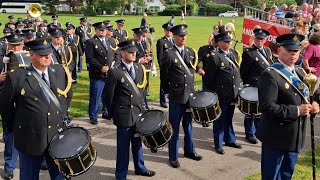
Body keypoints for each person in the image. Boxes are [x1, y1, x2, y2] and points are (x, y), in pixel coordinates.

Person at [0, 38, 69, 180]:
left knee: (59, 176)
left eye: (49, 53)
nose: (48, 57)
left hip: (56, 137)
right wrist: (18, 127)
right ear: (31, 55)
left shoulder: (60, 72)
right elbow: (5, 106)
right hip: (30, 139)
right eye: (43, 54)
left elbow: (66, 97)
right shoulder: (17, 77)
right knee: (29, 176)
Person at [257, 33, 319, 179]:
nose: (293, 54)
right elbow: (267, 107)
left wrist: (314, 104)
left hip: (295, 136)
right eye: (289, 50)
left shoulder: (299, 71)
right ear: (279, 50)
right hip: (276, 137)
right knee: (272, 176)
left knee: (286, 174)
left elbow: (308, 97)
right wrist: (297, 110)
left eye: (296, 51)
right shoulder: (271, 74)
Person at [105, 39, 156, 180]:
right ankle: (121, 174)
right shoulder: (115, 72)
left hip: (138, 112)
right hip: (124, 114)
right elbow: (108, 97)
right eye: (130, 52)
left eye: (135, 52)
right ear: (123, 53)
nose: (134, 54)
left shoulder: (139, 68)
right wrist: (112, 114)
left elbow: (142, 91)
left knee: (138, 142)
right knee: (123, 148)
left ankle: (140, 167)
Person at [160, 24, 205, 168]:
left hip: (189, 95)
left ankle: (189, 151)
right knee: (174, 128)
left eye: (184, 35)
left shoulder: (191, 52)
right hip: (177, 96)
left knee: (189, 125)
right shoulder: (168, 53)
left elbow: (192, 69)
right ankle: (173, 156)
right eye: (180, 35)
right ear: (174, 36)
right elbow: (164, 76)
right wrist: (168, 92)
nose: (183, 38)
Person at [204, 32, 242, 155]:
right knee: (219, 120)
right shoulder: (214, 56)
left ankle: (230, 139)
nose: (229, 43)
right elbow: (209, 78)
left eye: (229, 41)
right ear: (219, 42)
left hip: (232, 93)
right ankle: (218, 143)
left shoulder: (234, 54)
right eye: (226, 41)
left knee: (229, 118)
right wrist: (213, 94)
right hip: (220, 94)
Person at [240, 29, 273, 144]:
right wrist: (247, 86)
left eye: (262, 39)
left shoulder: (268, 51)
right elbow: (243, 71)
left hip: (266, 86)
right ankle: (249, 133)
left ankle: (259, 131)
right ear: (254, 38)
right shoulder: (249, 52)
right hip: (253, 86)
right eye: (258, 38)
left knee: (262, 111)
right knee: (251, 111)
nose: (260, 41)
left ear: (265, 40)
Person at [0, 34, 24, 180]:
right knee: (10, 135)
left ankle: (40, 161)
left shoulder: (28, 58)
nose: (15, 48)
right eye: (13, 45)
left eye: (18, 45)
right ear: (8, 45)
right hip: (7, 102)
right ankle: (9, 167)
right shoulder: (2, 57)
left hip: (24, 101)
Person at [85, 22, 113, 124]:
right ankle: (93, 115)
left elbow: (115, 54)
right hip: (97, 73)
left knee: (107, 95)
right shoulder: (91, 42)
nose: (103, 31)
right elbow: (90, 58)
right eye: (100, 30)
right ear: (96, 30)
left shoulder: (110, 41)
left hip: (109, 73)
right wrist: (101, 67)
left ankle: (106, 112)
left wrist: (112, 66)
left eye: (104, 30)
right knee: (96, 95)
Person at [156, 22, 174, 108]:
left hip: (173, 66)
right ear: (164, 31)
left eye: (170, 31)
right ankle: (162, 100)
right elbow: (160, 56)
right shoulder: (161, 41)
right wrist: (162, 67)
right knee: (164, 83)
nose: (169, 32)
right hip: (165, 66)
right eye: (167, 31)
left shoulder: (174, 40)